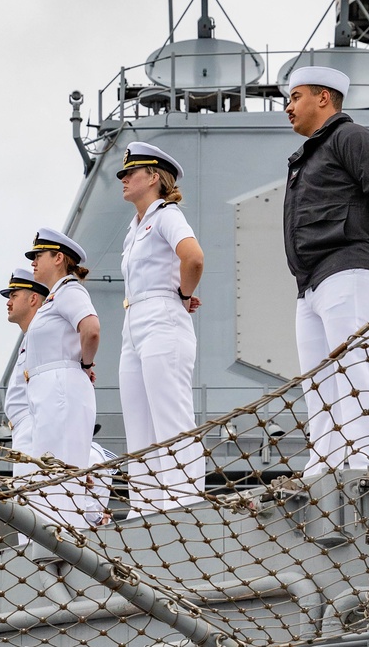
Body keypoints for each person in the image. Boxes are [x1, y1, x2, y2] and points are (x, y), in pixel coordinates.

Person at [283, 65, 369, 476]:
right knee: (318, 381)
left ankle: (366, 464)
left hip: (349, 270)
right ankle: (324, 465)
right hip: (312, 282)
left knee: (356, 368)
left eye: (296, 96)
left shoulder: (352, 138)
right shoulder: (309, 154)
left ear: (324, 97)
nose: (288, 107)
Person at [117, 141, 205, 514]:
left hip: (162, 316)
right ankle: (145, 510)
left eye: (129, 173)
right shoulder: (133, 228)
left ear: (153, 177)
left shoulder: (166, 215)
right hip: (133, 322)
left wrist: (183, 295)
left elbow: (194, 258)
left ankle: (184, 504)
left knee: (170, 417)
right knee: (139, 425)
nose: (122, 179)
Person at [24, 227, 100, 530]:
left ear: (58, 258)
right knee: (47, 469)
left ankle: (64, 537)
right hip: (48, 389)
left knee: (60, 467)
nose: (33, 261)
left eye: (38, 255)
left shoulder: (70, 291)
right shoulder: (55, 297)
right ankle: (53, 534)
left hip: (61, 387)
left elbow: (91, 329)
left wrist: (85, 363)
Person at [0, 268, 50, 479]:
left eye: (14, 295)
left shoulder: (44, 338)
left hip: (35, 431)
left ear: (33, 299)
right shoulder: (31, 338)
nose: (8, 303)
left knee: (31, 501)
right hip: (23, 431)